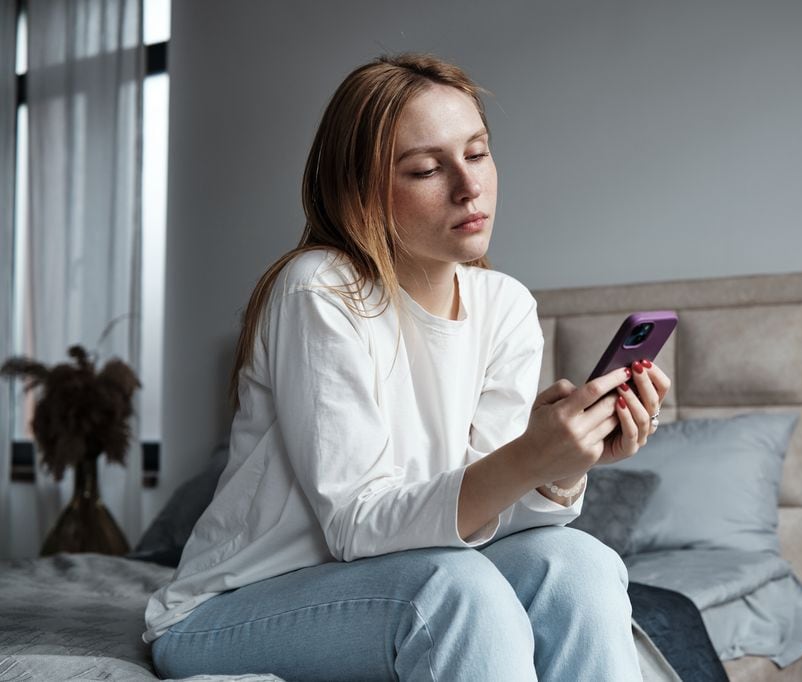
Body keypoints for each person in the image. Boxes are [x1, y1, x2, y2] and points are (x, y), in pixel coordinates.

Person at [143, 53, 670, 681]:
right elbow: (356, 526)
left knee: (576, 564)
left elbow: (483, 520)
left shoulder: (504, 305)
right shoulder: (320, 291)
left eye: (476, 154)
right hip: (233, 609)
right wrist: (529, 457)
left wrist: (556, 469)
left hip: (396, 584)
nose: (468, 187)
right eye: (426, 168)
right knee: (454, 588)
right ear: (361, 190)